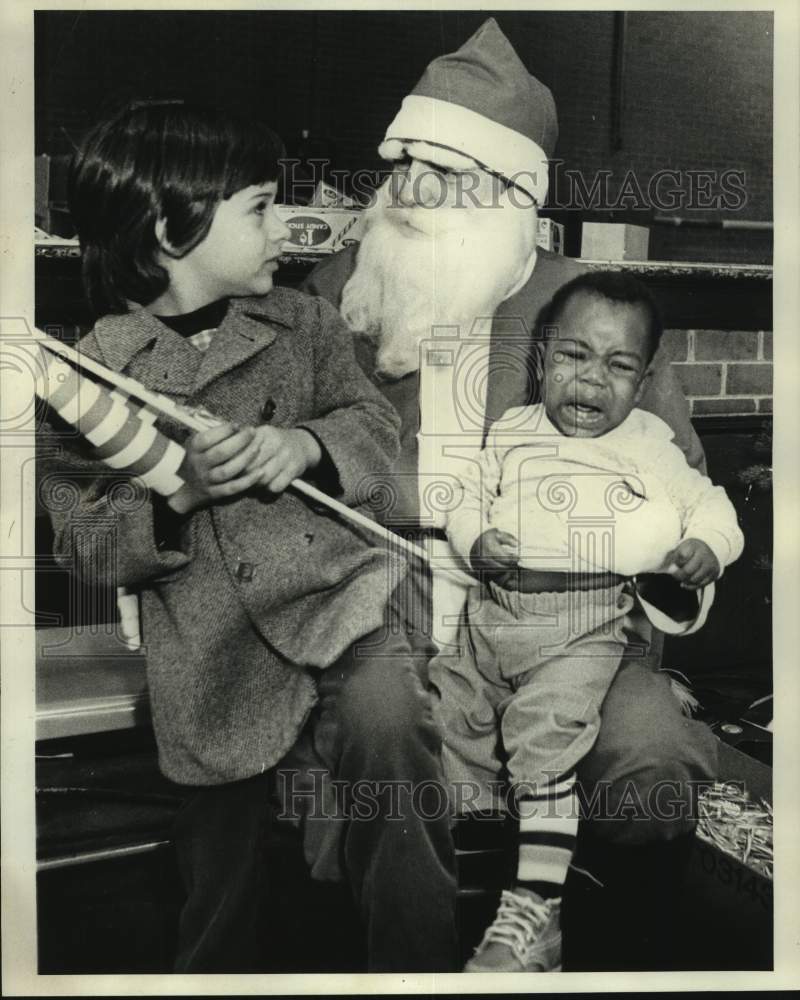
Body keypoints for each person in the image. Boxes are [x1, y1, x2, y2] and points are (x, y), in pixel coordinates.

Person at [295, 17, 725, 967]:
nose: (410, 190)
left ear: (513, 193)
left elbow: (681, 495)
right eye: (403, 164)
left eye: (444, 172)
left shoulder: (597, 315)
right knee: (378, 731)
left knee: (650, 752)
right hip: (389, 617)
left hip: (571, 627)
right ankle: (399, 961)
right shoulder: (342, 291)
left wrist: (658, 576)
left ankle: (602, 950)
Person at [41, 101, 457, 973]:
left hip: (339, 606)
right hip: (207, 644)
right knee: (219, 875)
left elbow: (377, 436)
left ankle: (416, 964)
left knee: (393, 734)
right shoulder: (93, 372)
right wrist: (178, 496)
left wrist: (306, 442)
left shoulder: (305, 325)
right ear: (170, 227)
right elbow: (82, 545)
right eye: (261, 207)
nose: (287, 227)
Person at [430, 270, 744, 972]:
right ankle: (468, 906)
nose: (592, 382)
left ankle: (535, 909)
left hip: (581, 628)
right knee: (448, 732)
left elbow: (712, 505)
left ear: (644, 379)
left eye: (619, 366)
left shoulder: (649, 446)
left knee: (546, 742)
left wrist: (707, 549)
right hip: (491, 621)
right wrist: (477, 539)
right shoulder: (512, 430)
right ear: (542, 356)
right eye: (574, 356)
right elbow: (466, 497)